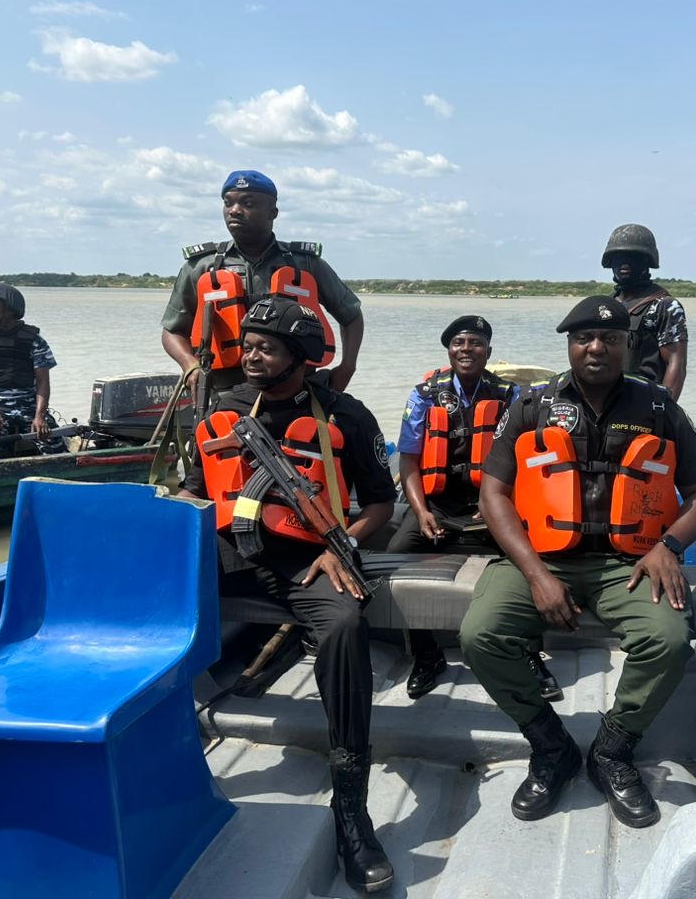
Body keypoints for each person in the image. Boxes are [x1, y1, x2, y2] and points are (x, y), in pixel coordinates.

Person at [460, 296, 696, 829]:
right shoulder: (531, 405)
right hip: (539, 557)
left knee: (669, 640)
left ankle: (613, 749)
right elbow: (494, 494)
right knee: (480, 634)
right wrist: (536, 575)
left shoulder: (660, 408)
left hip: (629, 562)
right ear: (569, 345)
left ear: (628, 345)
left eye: (610, 339)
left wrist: (668, 547)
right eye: (583, 339)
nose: (596, 348)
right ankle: (549, 745)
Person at [177, 295, 395, 893]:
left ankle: (351, 806)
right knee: (150, 598)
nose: (251, 356)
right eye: (247, 346)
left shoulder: (347, 416)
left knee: (344, 627)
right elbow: (194, 492)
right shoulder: (222, 410)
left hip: (308, 557)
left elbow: (381, 503)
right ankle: (163, 753)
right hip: (229, 553)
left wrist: (341, 547)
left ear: (301, 358)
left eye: (266, 349)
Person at [388, 315, 519, 699]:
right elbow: (409, 460)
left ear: (488, 352)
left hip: (489, 504)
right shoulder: (424, 395)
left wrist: (497, 503)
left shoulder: (509, 395)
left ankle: (524, 653)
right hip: (437, 505)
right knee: (395, 554)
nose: (467, 349)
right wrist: (421, 511)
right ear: (448, 350)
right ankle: (426, 655)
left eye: (475, 343)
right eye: (459, 343)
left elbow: (521, 459)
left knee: (526, 558)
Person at [160, 169, 365, 401]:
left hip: (297, 394)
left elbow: (350, 314)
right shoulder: (201, 267)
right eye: (228, 203)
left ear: (272, 212)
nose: (234, 210)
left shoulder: (305, 264)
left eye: (247, 203)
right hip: (225, 394)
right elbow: (172, 330)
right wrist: (190, 364)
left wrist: (348, 366)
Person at [0, 283, 68, 462]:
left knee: (56, 449)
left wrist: (40, 416)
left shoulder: (34, 340)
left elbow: (43, 382)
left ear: (10, 309)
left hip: (29, 408)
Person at [601, 223, 688, 401]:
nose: (624, 263)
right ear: (610, 262)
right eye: (618, 256)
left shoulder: (664, 306)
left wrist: (664, 408)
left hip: (644, 403)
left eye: (633, 257)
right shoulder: (606, 306)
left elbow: (676, 363)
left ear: (647, 262)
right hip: (607, 402)